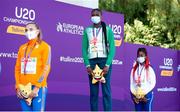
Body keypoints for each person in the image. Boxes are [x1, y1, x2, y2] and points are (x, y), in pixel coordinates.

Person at [82, 8, 116, 111]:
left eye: (97, 15)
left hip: (104, 61)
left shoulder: (108, 30)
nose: (95, 17)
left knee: (106, 91)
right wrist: (87, 65)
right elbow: (84, 48)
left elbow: (113, 48)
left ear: (101, 17)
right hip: (92, 62)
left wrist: (107, 64)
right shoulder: (87, 30)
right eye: (93, 15)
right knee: (93, 92)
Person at [15, 22, 51, 111]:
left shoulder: (45, 47)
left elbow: (46, 68)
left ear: (37, 31)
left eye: (31, 29)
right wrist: (18, 87)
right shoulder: (22, 48)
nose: (28, 32)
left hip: (38, 88)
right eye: (26, 30)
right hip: (23, 88)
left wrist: (37, 88)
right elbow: (17, 68)